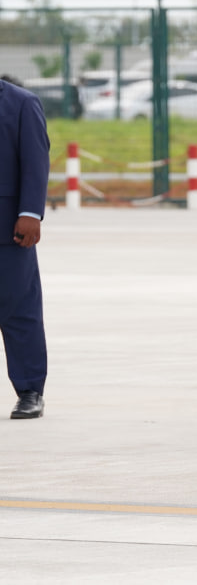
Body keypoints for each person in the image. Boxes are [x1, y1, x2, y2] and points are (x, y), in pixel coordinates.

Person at [0, 77, 50, 420]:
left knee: (19, 311)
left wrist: (30, 212)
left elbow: (35, 160)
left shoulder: (21, 103)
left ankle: (30, 391)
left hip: (7, 228)